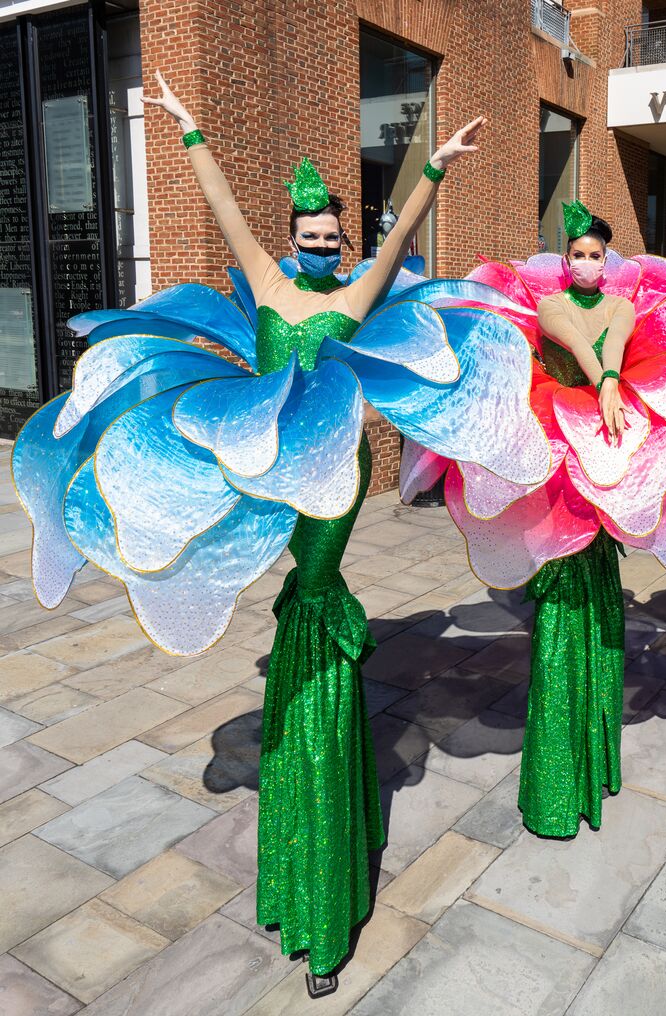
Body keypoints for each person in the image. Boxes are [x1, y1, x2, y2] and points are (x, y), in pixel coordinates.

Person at [13, 73, 549, 998]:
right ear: (291, 240)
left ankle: (325, 892)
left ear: (343, 240)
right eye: (307, 237)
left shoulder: (357, 286)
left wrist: (436, 172)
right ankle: (307, 856)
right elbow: (221, 210)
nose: (318, 246)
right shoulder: (265, 281)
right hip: (267, 482)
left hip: (332, 486)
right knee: (279, 602)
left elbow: (407, 230)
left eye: (330, 237)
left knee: (313, 606)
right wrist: (188, 131)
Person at [399, 200, 666, 837]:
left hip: (611, 439)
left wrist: (616, 380)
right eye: (579, 255)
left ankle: (591, 755)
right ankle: (559, 776)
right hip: (556, 439)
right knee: (562, 599)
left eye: (597, 255)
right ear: (564, 260)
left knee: (598, 594)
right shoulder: (550, 305)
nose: (588, 264)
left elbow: (617, 335)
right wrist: (607, 383)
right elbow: (566, 334)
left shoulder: (621, 305)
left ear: (606, 261)